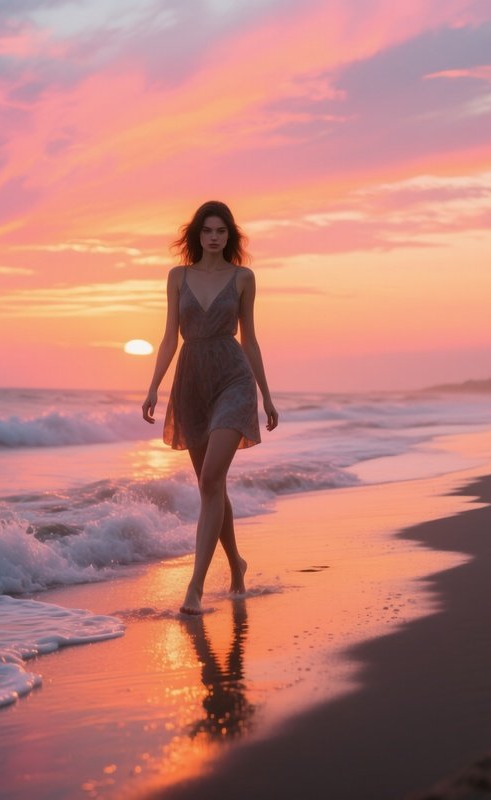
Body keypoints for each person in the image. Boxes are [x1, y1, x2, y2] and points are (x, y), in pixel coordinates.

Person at [142, 200, 278, 615]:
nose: (214, 237)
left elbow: (250, 339)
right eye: (207, 231)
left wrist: (266, 395)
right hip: (192, 382)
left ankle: (194, 589)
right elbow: (169, 337)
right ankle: (236, 563)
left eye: (221, 231)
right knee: (212, 485)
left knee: (210, 482)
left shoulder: (243, 278)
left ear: (229, 235)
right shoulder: (178, 277)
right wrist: (153, 387)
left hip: (233, 379)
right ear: (197, 235)